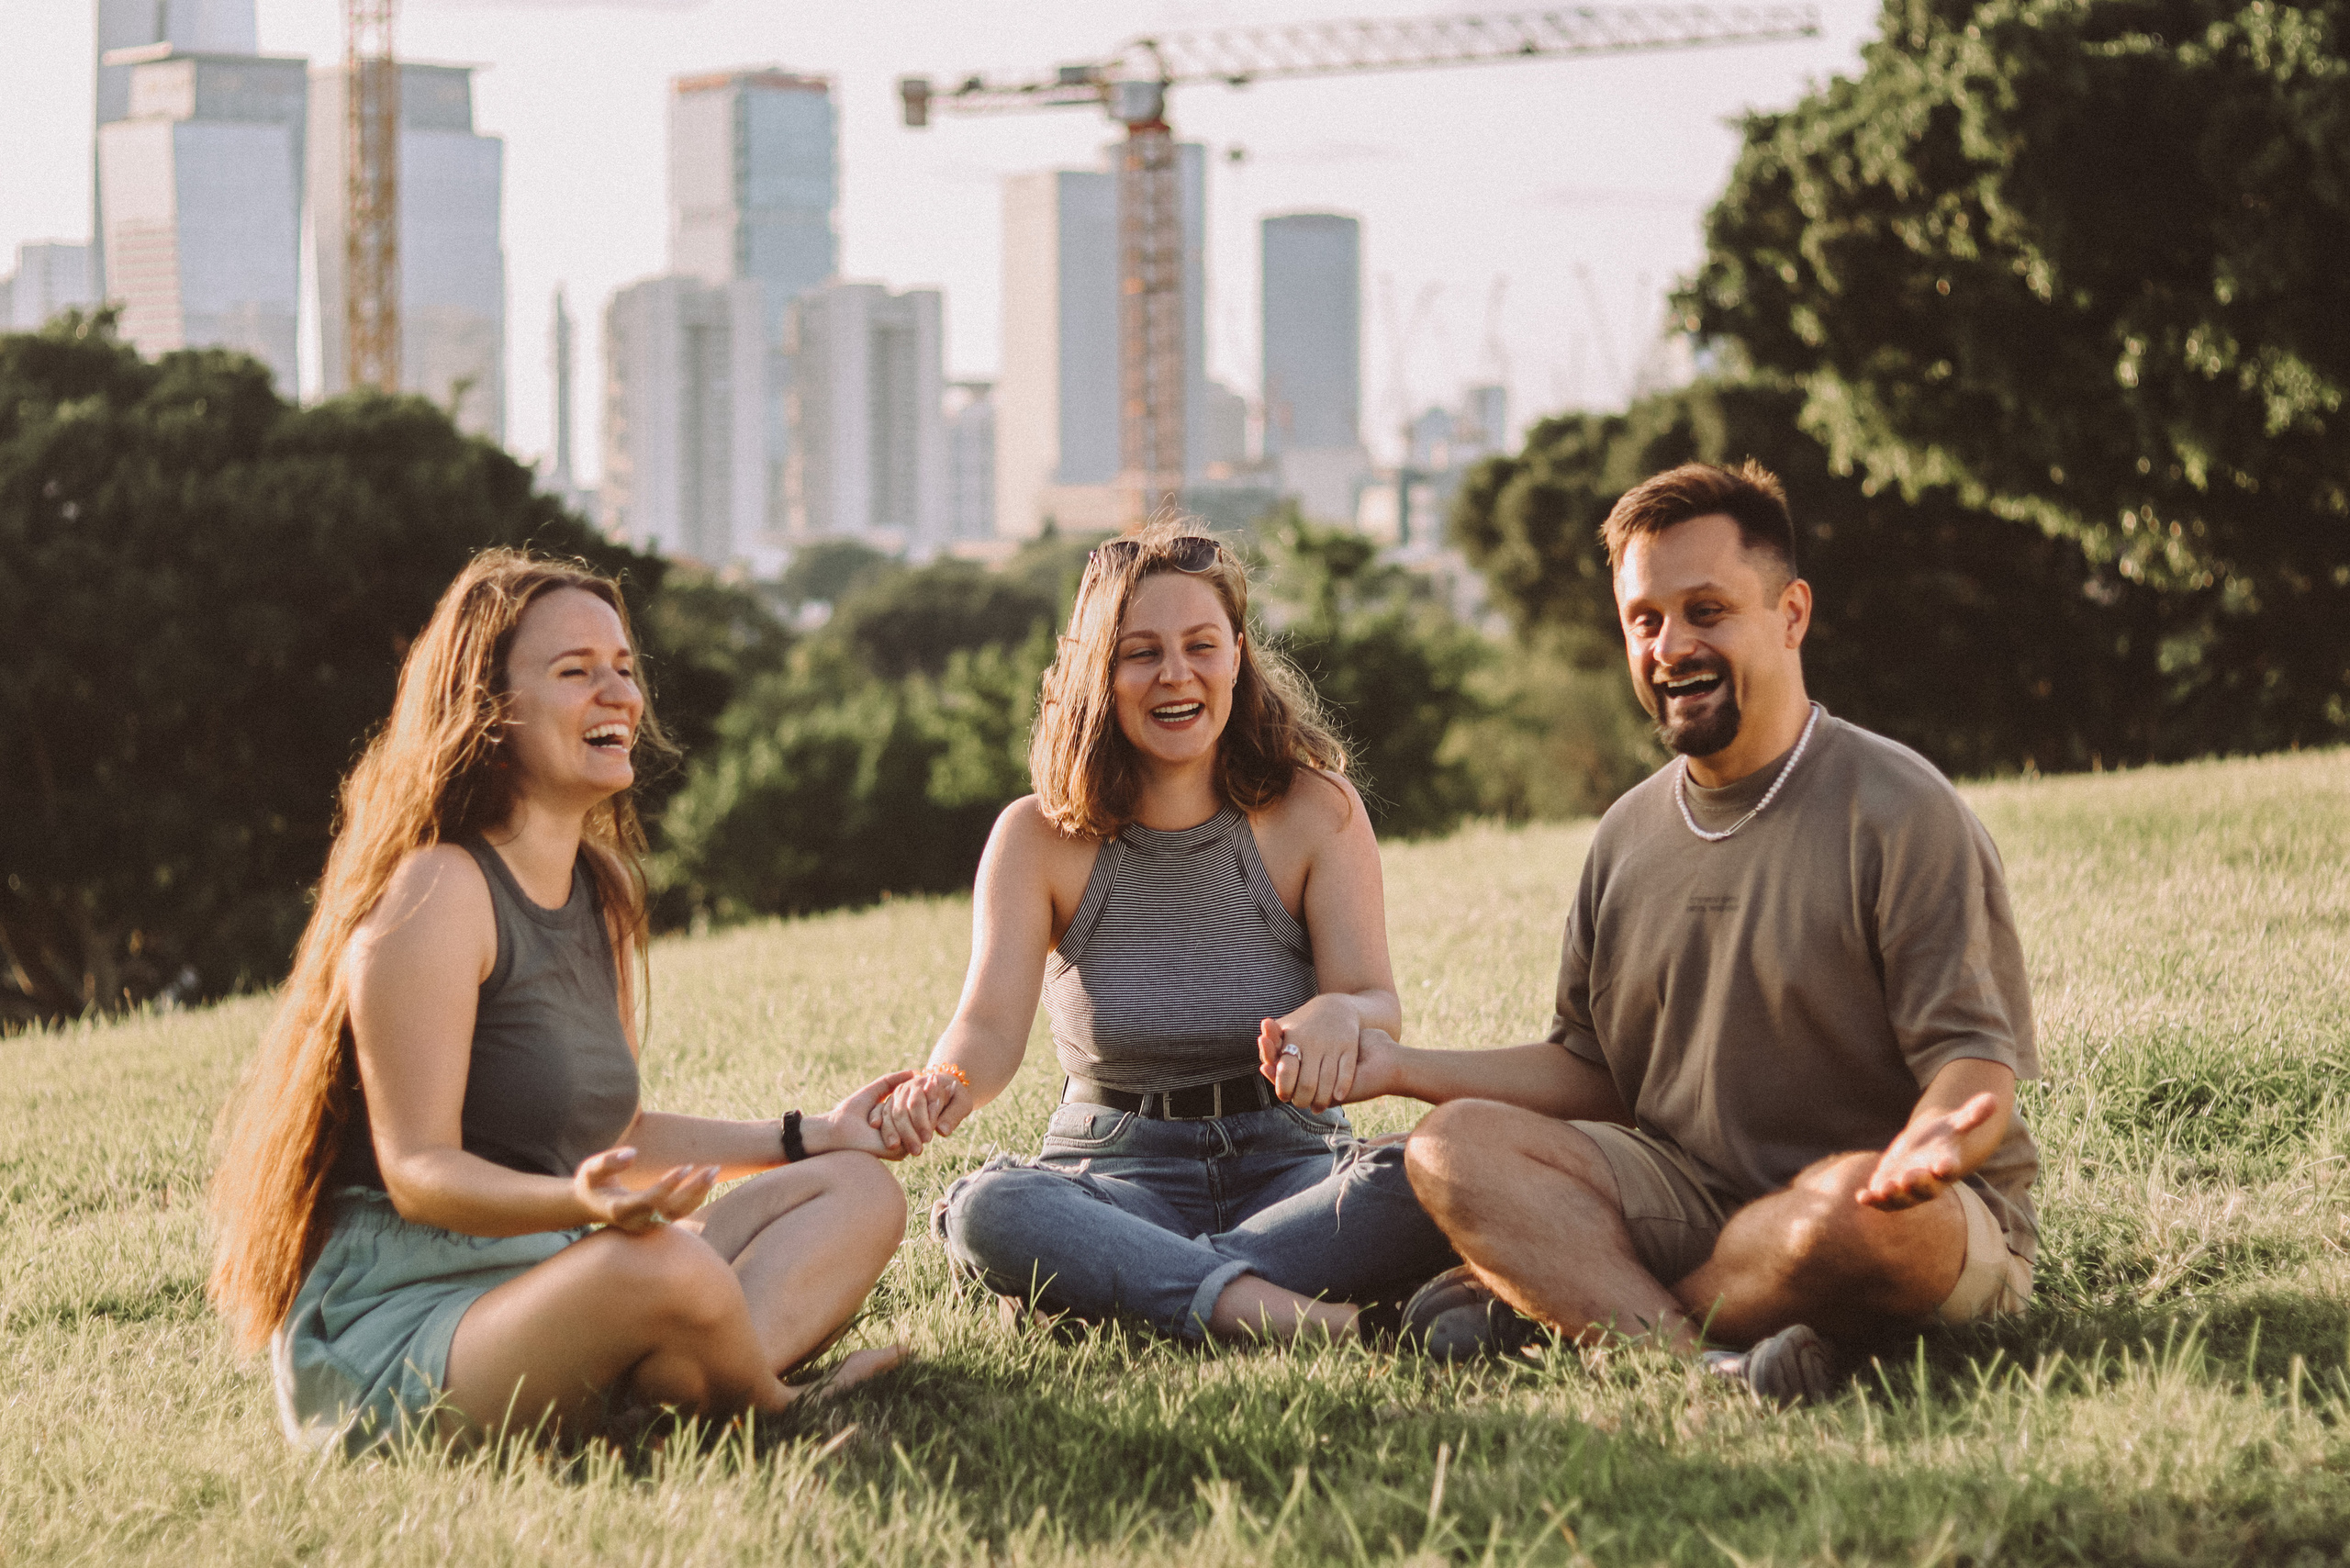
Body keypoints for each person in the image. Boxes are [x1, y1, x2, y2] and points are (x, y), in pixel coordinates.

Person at [1356, 461, 2041, 1403]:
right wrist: (1398, 1066)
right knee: (1451, 1148)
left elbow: (1974, 1066)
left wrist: (1930, 1148)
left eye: (1706, 610)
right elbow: (1588, 1071)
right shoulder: (1626, 836)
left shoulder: (1900, 809)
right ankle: (1703, 1363)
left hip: (1891, 1205)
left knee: (1842, 1217)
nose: (1670, 644)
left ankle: (1578, 1311)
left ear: (1790, 614)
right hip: (1686, 1193)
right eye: (1645, 619)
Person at [208, 551, 912, 1456]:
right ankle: (773, 1412)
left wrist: (806, 1136)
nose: (617, 693)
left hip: (562, 1267)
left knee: (857, 1191)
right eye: (576, 672)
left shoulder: (604, 890)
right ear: (492, 710)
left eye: (623, 667)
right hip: (411, 1323)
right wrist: (571, 1200)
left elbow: (616, 1133)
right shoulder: (437, 891)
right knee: (661, 1263)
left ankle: (675, 1395)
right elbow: (420, 1172)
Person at [868, 521, 1455, 1343]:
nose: (1175, 675)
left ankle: (1127, 1283)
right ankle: (1319, 1323)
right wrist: (945, 1081)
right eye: (1140, 653)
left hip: (1292, 1165)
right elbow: (989, 1028)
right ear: (1097, 674)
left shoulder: (1318, 813)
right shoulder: (1036, 838)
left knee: (1441, 1172)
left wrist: (1343, 1016)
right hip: (1114, 1168)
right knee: (990, 1209)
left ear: (1238, 653)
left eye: (1200, 646)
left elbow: (1374, 1001)